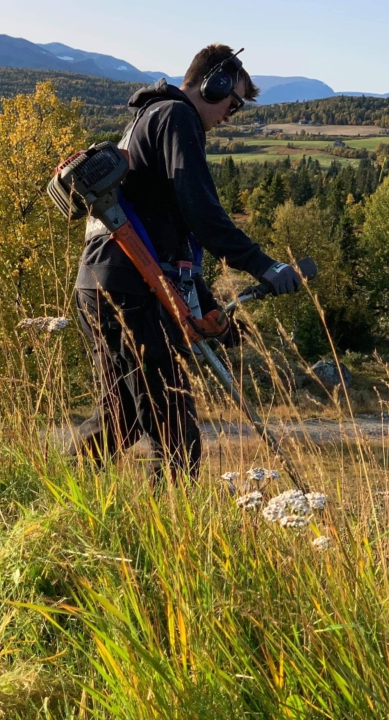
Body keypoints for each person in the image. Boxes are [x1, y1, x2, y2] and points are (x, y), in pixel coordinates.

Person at [72, 44, 303, 477]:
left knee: (119, 418)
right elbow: (202, 213)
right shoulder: (178, 117)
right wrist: (266, 266)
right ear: (212, 84)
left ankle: (54, 500)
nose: (231, 113)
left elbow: (169, 234)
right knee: (175, 432)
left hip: (102, 280)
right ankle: (171, 537)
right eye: (232, 102)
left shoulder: (151, 117)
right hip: (129, 286)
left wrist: (206, 303)